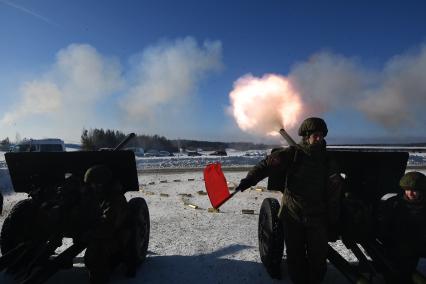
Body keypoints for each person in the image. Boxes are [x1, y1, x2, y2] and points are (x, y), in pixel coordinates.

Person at [235, 117, 342, 284]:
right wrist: (250, 179)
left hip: (317, 215)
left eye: (321, 135)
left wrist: (333, 217)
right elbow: (266, 165)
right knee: (295, 255)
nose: (319, 138)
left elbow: (334, 189)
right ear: (306, 136)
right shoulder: (293, 154)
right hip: (293, 214)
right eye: (315, 135)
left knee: (318, 257)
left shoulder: (328, 160)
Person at [82, 164, 130, 284]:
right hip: (97, 230)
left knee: (96, 253)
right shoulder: (95, 194)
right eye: (90, 184)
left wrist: (89, 233)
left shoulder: (116, 200)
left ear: (103, 184)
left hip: (116, 236)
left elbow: (108, 227)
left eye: (95, 184)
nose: (92, 186)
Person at [378, 171, 426, 284]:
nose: (410, 193)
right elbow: (384, 228)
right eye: (407, 190)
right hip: (397, 247)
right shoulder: (394, 204)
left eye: (414, 190)